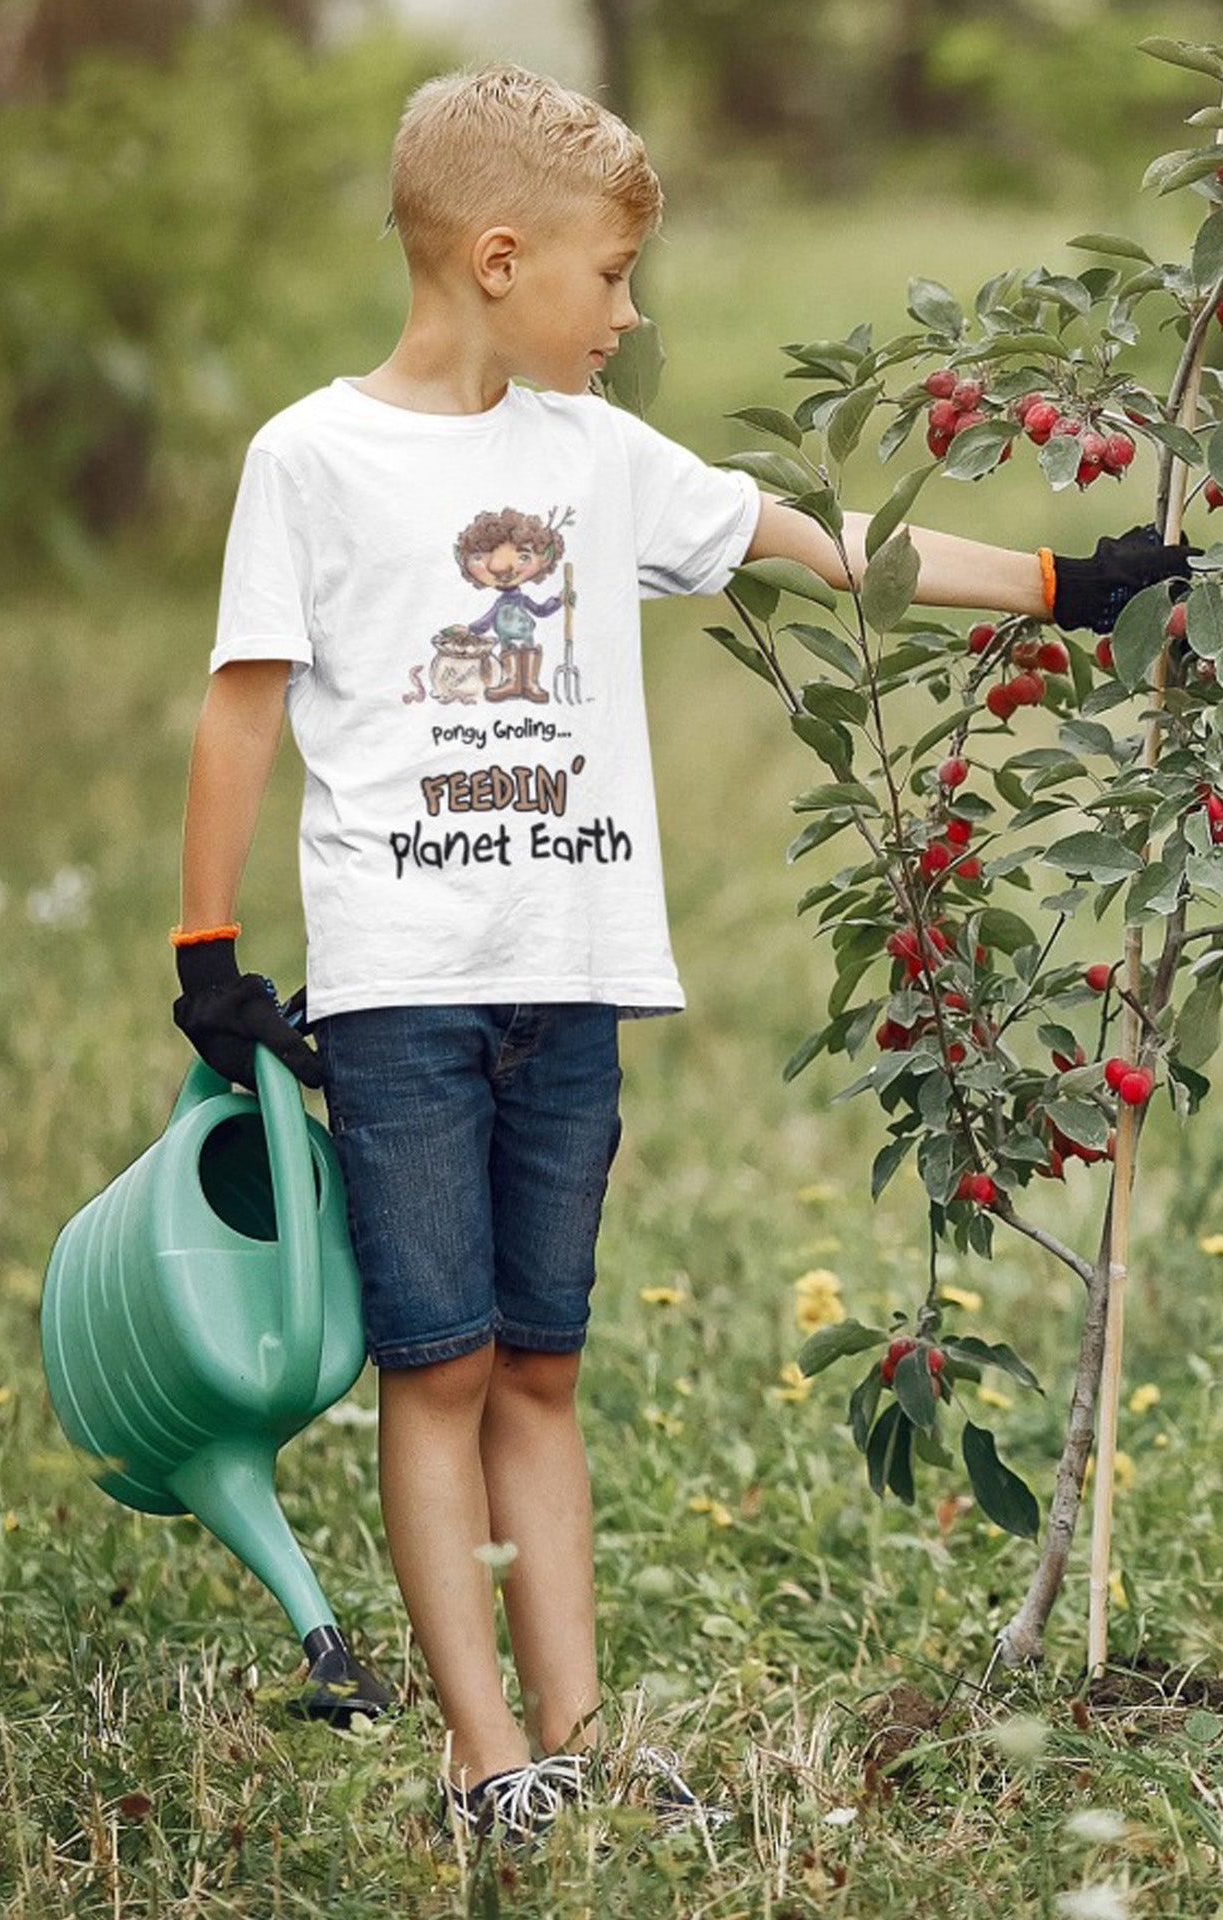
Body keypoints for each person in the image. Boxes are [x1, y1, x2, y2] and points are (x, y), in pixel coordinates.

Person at [170, 64, 1188, 1841]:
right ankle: (483, 1759)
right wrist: (207, 949)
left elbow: (823, 550)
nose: (631, 318)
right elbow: (242, 704)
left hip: (569, 979)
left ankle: (572, 1732)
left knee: (544, 1359)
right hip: (402, 988)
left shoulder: (592, 457)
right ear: (499, 259)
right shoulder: (311, 460)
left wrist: (1058, 587)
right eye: (612, 279)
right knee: (442, 1366)